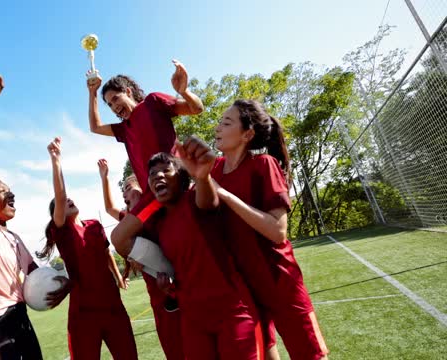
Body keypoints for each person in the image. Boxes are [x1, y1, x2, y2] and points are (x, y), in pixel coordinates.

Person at [112, 137, 264, 359]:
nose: (158, 176)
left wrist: (203, 176)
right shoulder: (159, 223)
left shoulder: (194, 198)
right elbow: (120, 240)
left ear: (182, 176)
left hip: (232, 311)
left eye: (166, 170)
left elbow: (209, 201)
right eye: (152, 175)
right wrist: (170, 287)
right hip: (193, 319)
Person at [211, 100, 329, 360]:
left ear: (247, 134)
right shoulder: (215, 170)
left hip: (280, 280)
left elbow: (278, 231)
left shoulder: (263, 164)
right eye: (220, 121)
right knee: (264, 351)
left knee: (310, 354)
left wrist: (225, 196)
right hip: (245, 285)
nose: (218, 127)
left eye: (226, 122)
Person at [0, 74, 69, 360]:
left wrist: (64, 286)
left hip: (21, 319)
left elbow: (37, 274)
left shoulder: (14, 238)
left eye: (12, 192)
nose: (11, 196)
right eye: (2, 192)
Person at [36, 138, 137, 360]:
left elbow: (105, 253)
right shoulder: (61, 231)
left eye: (70, 199)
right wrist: (56, 161)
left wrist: (118, 276)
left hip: (112, 306)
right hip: (84, 313)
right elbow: (61, 196)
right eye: (63, 202)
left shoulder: (95, 225)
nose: (68, 200)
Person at [87, 60, 203, 223]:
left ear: (128, 92)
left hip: (176, 183)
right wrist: (92, 93)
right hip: (152, 198)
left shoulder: (152, 102)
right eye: (110, 104)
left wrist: (184, 92)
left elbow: (196, 108)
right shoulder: (123, 129)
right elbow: (95, 127)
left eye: (115, 98)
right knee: (120, 237)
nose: (113, 107)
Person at [97, 159, 184, 360]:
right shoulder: (129, 220)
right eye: (123, 191)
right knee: (174, 351)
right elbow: (110, 208)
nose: (125, 193)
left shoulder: (161, 209)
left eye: (128, 187)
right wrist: (104, 178)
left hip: (183, 289)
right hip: (158, 297)